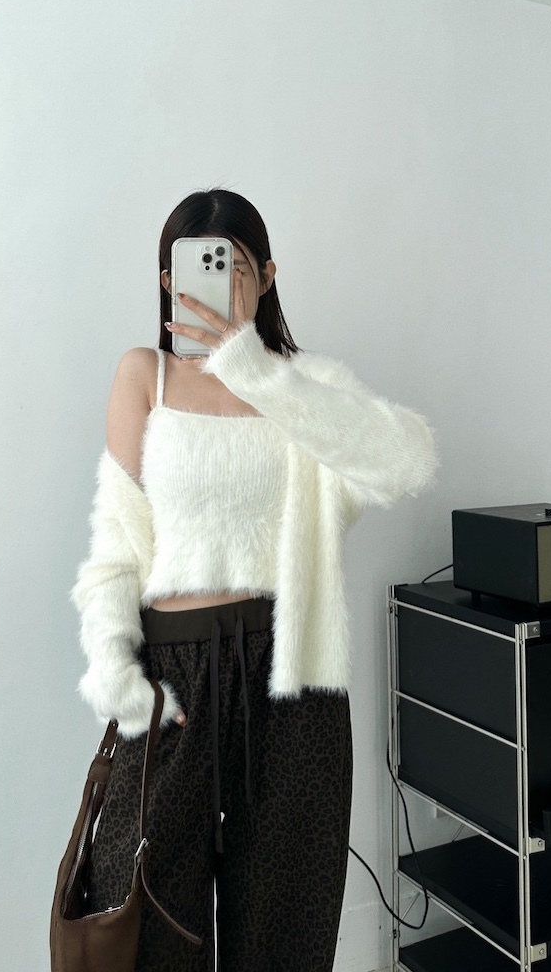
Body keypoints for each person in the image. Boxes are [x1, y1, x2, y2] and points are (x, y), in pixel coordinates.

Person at [69, 188, 438, 972]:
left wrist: (253, 369)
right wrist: (114, 670)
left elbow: (408, 460)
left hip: (292, 675)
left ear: (267, 276)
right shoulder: (145, 376)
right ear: (167, 280)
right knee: (142, 914)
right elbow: (118, 541)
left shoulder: (304, 386)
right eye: (197, 267)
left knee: (284, 925)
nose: (215, 282)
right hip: (171, 675)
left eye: (234, 266)